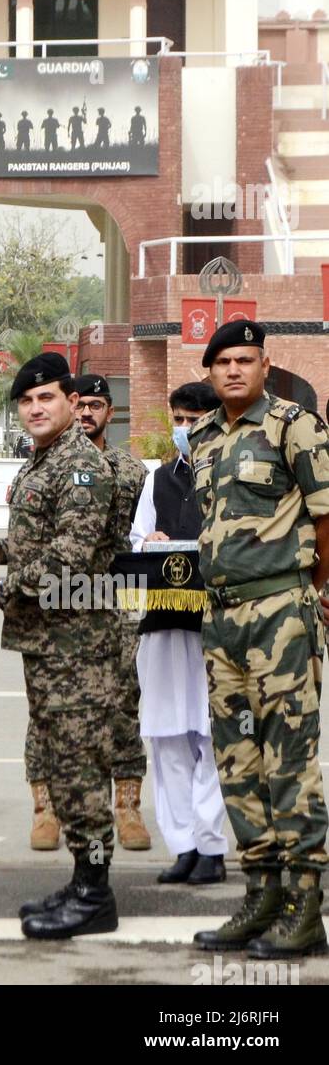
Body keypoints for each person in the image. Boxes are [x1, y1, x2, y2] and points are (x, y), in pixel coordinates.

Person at [0, 352, 122, 939]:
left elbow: (68, 563)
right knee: (61, 763)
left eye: (46, 397)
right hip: (49, 643)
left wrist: (0, 586)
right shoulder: (45, 461)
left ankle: (96, 895)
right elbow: (42, 539)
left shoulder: (80, 467)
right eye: (26, 400)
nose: (34, 408)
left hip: (77, 646)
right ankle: (82, 880)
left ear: (73, 403)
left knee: (80, 766)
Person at [190, 321, 329, 957]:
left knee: (290, 763)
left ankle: (305, 906)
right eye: (223, 362)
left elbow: (326, 515)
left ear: (265, 365)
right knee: (238, 762)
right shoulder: (202, 437)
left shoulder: (293, 424)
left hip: (281, 613)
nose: (235, 370)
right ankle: (262, 894)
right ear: (210, 372)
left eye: (246, 360)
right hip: (221, 621)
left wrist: (314, 594)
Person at [129, 381, 228, 886]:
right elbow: (136, 537)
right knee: (167, 734)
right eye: (179, 419)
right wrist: (151, 540)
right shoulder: (159, 480)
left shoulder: (233, 478)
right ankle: (183, 844)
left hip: (216, 622)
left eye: (194, 419)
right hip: (166, 617)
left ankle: (211, 846)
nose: (185, 429)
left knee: (212, 736)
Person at [71, 373, 151, 852]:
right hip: (68, 595)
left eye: (96, 405)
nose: (87, 414)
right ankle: (60, 808)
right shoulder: (50, 464)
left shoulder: (132, 469)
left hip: (120, 597)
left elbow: (143, 532)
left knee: (124, 700)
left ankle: (128, 807)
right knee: (63, 705)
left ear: (110, 412)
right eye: (80, 405)